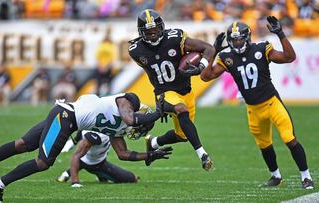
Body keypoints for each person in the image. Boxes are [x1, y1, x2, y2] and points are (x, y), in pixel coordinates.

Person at [0, 92, 171, 202]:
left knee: (22, 144)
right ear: (140, 116)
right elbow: (128, 117)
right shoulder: (128, 101)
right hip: (65, 117)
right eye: (141, 128)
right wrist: (157, 113)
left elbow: (123, 154)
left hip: (65, 118)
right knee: (43, 162)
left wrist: (149, 155)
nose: (137, 132)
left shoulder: (119, 129)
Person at [201, 16, 314, 189]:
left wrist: (280, 34)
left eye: (240, 39)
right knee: (264, 145)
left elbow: (289, 57)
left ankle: (306, 177)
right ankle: (276, 176)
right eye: (234, 40)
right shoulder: (226, 57)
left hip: (271, 103)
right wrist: (214, 51)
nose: (237, 43)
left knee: (289, 139)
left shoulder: (262, 48)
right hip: (253, 109)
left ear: (247, 38)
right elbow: (206, 76)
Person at [128, 9, 215, 169]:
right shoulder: (136, 50)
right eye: (149, 31)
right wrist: (162, 102)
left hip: (186, 90)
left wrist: (200, 67)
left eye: (155, 30)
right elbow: (151, 73)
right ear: (141, 33)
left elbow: (209, 48)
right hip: (165, 92)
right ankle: (203, 154)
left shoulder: (176, 38)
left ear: (162, 27)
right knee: (181, 110)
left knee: (183, 135)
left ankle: (153, 142)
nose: (153, 34)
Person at [95, 28, 115, 96]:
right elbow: (111, 57)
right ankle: (105, 94)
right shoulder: (109, 46)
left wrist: (101, 66)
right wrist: (104, 66)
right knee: (103, 83)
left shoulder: (103, 46)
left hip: (103, 66)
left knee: (101, 83)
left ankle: (101, 94)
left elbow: (98, 57)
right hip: (105, 67)